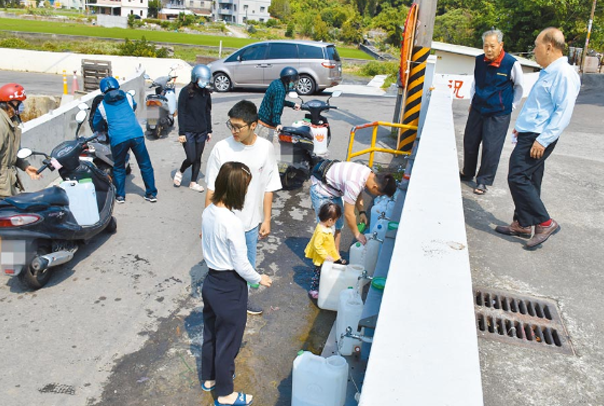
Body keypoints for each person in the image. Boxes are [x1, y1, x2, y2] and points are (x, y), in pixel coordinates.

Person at [495, 27, 580, 249]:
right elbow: (540, 106)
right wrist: (522, 128)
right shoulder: (550, 71)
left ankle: (545, 222)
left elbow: (563, 112)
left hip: (540, 137)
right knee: (531, 179)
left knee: (517, 176)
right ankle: (523, 224)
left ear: (549, 47)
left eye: (536, 45)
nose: (534, 50)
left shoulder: (564, 74)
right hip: (531, 133)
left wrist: (543, 140)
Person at [200, 161, 272, 406]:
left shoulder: (208, 211)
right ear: (236, 190)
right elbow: (241, 264)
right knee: (228, 342)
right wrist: (258, 278)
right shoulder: (232, 222)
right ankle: (226, 394)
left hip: (210, 282)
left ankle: (209, 378)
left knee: (211, 333)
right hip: (230, 287)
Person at [205, 100, 281, 315]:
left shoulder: (265, 149)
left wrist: (266, 219)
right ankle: (223, 306)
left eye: (238, 126)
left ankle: (243, 301)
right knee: (222, 269)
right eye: (231, 125)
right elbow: (211, 189)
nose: (234, 131)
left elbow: (269, 186)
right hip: (222, 222)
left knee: (246, 265)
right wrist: (207, 220)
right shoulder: (222, 148)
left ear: (253, 125)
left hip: (249, 224)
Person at [460, 29, 524, 195]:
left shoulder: (511, 63)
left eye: (492, 46)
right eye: (485, 46)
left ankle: (483, 181)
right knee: (470, 141)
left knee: (491, 147)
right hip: (478, 108)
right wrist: (472, 101)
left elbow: (519, 87)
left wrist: (510, 106)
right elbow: (475, 83)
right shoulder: (479, 60)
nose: (488, 50)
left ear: (501, 45)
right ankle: (467, 172)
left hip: (498, 112)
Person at [93, 76, 158, 203]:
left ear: (103, 91)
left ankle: (120, 196)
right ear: (117, 86)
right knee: (145, 165)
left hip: (118, 138)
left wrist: (105, 126)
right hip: (136, 134)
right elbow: (133, 106)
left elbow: (97, 125)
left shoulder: (101, 106)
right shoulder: (128, 96)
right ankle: (151, 194)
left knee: (118, 167)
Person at [310, 161, 397, 252]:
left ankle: (335, 256)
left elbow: (358, 193)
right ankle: (320, 261)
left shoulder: (368, 174)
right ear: (374, 187)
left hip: (333, 190)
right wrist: (357, 234)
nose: (377, 196)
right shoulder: (354, 183)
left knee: (339, 225)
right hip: (321, 190)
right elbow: (349, 213)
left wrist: (362, 212)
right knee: (326, 228)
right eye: (378, 194)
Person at [174, 64, 213, 192]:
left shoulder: (206, 93)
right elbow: (182, 112)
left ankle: (193, 182)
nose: (204, 82)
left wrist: (209, 130)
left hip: (201, 130)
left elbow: (207, 112)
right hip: (188, 131)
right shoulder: (185, 92)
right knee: (191, 157)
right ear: (195, 78)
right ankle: (181, 170)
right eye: (202, 79)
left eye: (206, 80)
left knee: (198, 158)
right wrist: (181, 132)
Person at [0, 83, 40, 198]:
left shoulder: (12, 121)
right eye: (18, 102)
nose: (21, 105)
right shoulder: (1, 125)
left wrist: (25, 166)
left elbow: (11, 152)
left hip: (7, 183)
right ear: (8, 104)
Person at [304, 201, 345, 299]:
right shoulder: (321, 231)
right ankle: (313, 289)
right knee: (317, 274)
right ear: (330, 220)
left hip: (327, 253)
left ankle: (337, 261)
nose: (335, 223)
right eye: (335, 220)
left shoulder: (324, 226)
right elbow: (317, 245)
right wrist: (325, 256)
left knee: (324, 272)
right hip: (321, 258)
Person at [257, 66, 300, 140]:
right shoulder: (280, 90)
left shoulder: (276, 83)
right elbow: (277, 109)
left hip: (261, 119)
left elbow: (278, 101)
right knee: (275, 148)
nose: (293, 83)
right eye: (292, 81)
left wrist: (292, 105)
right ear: (287, 79)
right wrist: (278, 124)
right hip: (267, 125)